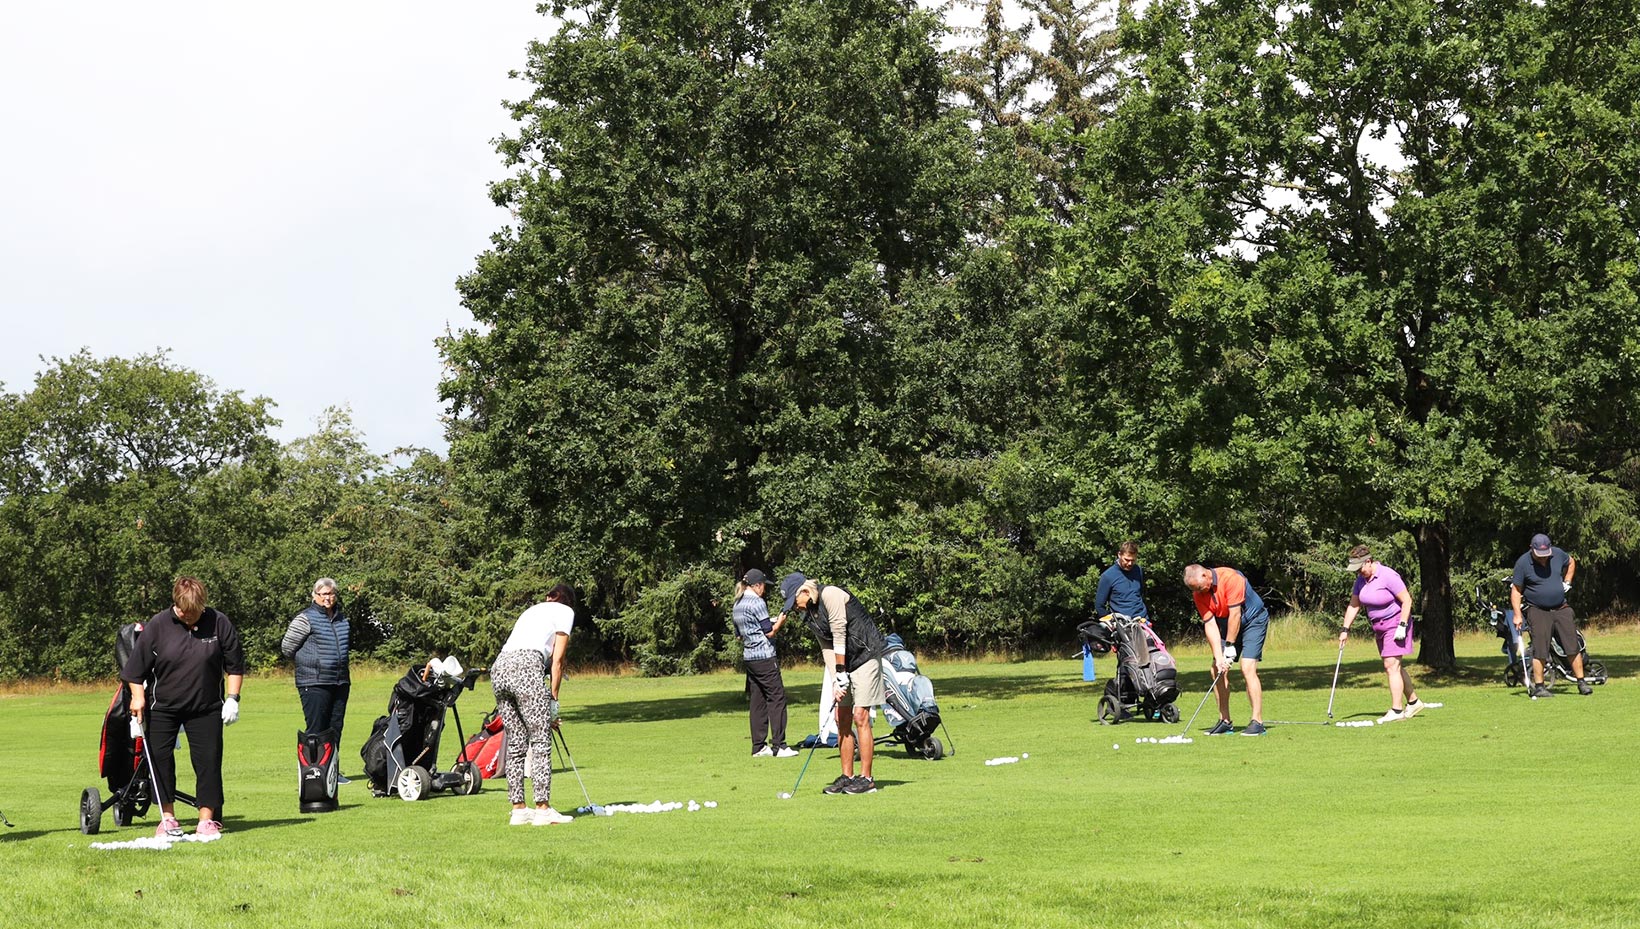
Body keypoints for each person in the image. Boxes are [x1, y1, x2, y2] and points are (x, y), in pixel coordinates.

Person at [121, 576, 245, 838]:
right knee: (161, 760)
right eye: (183, 612)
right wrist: (138, 697)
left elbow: (234, 666)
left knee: (208, 761)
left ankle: (206, 820)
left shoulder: (218, 622)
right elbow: (134, 671)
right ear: (175, 604)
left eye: (194, 612)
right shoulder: (158, 625)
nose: (189, 617)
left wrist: (233, 698)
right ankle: (167, 818)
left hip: (206, 706)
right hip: (164, 706)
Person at [780, 572, 888, 794]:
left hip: (866, 656)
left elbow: (839, 632)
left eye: (794, 601)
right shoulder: (809, 615)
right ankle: (847, 777)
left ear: (805, 591)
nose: (794, 607)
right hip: (844, 664)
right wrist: (835, 680)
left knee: (861, 716)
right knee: (842, 718)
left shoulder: (831, 594)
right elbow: (827, 647)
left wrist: (841, 672)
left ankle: (867, 779)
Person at [491, 584, 577, 825]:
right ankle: (542, 808)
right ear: (568, 601)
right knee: (540, 740)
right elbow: (557, 661)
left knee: (516, 741)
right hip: (527, 666)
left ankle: (519, 810)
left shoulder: (532, 611)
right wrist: (553, 701)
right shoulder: (565, 612)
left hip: (500, 668)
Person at [1338, 546, 1429, 722]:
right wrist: (1345, 629)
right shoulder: (1360, 581)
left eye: (1360, 568)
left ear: (1369, 561)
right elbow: (1354, 605)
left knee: (1391, 666)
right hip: (1378, 626)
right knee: (1394, 666)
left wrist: (1402, 625)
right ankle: (1414, 702)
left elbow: (1407, 600)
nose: (1358, 573)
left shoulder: (1388, 575)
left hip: (1395, 624)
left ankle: (1396, 711)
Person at [1183, 564, 1269, 736]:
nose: (1200, 592)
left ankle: (1257, 721)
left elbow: (1235, 615)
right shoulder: (1198, 593)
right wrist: (1219, 656)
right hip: (1225, 623)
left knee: (1247, 667)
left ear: (1206, 575)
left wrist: (1229, 647)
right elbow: (1210, 624)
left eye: (1200, 587)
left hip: (1253, 620)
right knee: (1217, 669)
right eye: (1195, 590)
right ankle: (1225, 721)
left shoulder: (1231, 578)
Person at [281, 577, 353, 783]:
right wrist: (311, 662)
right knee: (317, 728)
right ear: (315, 596)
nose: (328, 598)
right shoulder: (305, 618)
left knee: (335, 728)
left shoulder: (342, 619)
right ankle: (313, 771)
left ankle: (332, 771)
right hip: (313, 682)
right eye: (323, 594)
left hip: (340, 681)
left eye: (331, 593)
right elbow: (287, 648)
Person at [1510, 533, 1590, 697]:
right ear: (1531, 549)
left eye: (1546, 555)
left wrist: (1567, 582)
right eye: (1540, 555)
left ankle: (1581, 682)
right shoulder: (1523, 563)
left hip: (1561, 608)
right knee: (1540, 649)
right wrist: (1517, 614)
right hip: (1537, 610)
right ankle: (1540, 687)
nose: (1543, 559)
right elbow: (1516, 591)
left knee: (1572, 645)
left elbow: (1571, 562)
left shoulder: (1557, 553)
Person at [732, 569, 796, 757]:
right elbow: (769, 632)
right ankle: (779, 745)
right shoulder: (758, 602)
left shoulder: (738, 603)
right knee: (777, 698)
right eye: (763, 586)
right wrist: (781, 620)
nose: (764, 590)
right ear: (757, 585)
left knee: (757, 701)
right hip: (765, 656)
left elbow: (738, 635)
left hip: (750, 657)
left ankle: (759, 746)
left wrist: (767, 623)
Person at [1094, 541, 1149, 620]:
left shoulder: (1138, 570)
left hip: (1142, 620)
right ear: (1119, 555)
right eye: (1126, 560)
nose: (1130, 563)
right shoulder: (1108, 576)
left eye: (1133, 560)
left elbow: (1139, 593)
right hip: (1122, 623)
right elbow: (1099, 605)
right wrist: (1112, 621)